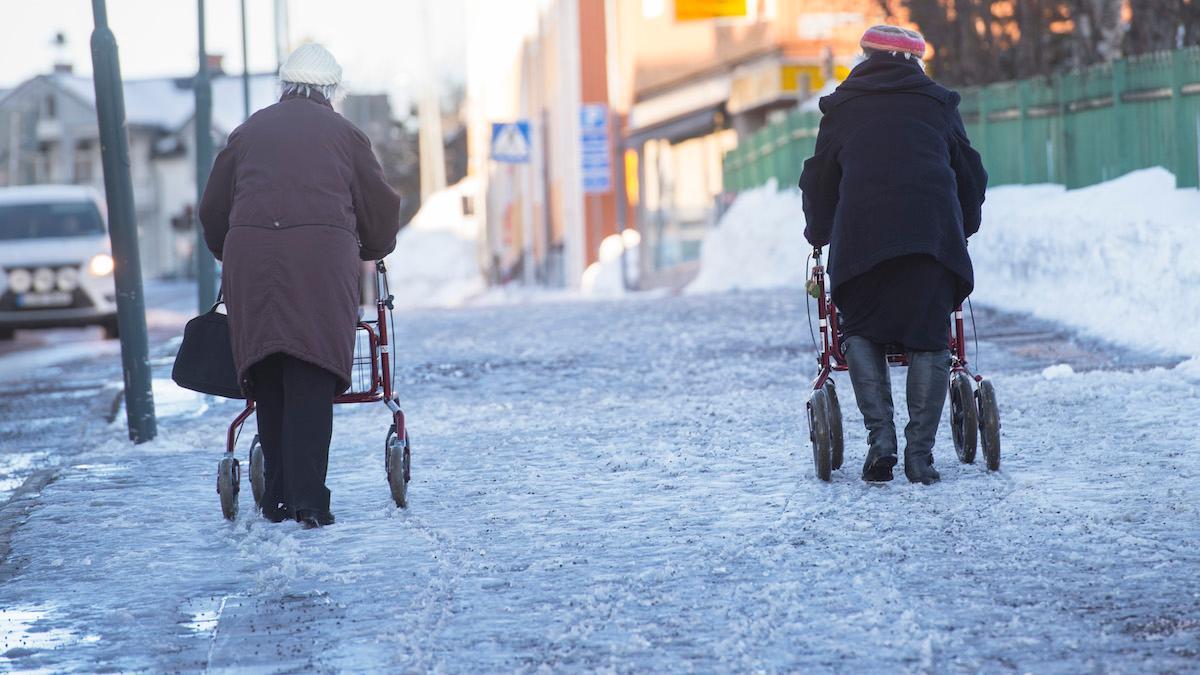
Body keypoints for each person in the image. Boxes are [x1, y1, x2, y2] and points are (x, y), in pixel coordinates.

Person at [199, 44, 403, 526]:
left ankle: (278, 499)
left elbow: (213, 208)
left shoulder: (247, 132)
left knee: (267, 368)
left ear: (283, 85)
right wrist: (373, 245)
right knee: (310, 370)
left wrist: (228, 251)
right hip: (320, 266)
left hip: (251, 265)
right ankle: (309, 500)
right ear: (331, 90)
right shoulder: (345, 135)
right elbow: (379, 206)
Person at [798, 25, 988, 485]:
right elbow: (969, 173)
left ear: (865, 56)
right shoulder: (939, 103)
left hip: (861, 243)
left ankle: (880, 441)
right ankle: (919, 457)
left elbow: (819, 178)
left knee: (859, 330)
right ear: (914, 61)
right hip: (930, 239)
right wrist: (963, 224)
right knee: (929, 337)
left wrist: (819, 232)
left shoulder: (842, 107)